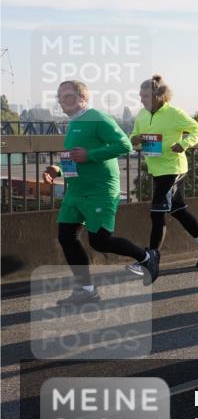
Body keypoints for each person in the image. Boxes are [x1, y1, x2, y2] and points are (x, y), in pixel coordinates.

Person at [52, 80, 160, 306]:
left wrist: (89, 155)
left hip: (100, 191)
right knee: (66, 237)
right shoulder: (73, 123)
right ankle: (86, 289)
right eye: (60, 97)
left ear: (83, 98)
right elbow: (76, 156)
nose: (63, 101)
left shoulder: (98, 118)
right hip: (76, 191)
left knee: (100, 241)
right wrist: (59, 169)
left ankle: (147, 257)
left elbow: (125, 146)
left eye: (68, 96)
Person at [129, 75, 198, 268]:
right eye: (140, 95)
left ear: (158, 96)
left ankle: (150, 258)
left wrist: (184, 143)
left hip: (173, 168)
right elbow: (133, 136)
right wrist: (134, 139)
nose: (141, 99)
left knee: (157, 212)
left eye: (145, 95)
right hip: (156, 169)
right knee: (177, 210)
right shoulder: (142, 115)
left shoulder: (174, 114)